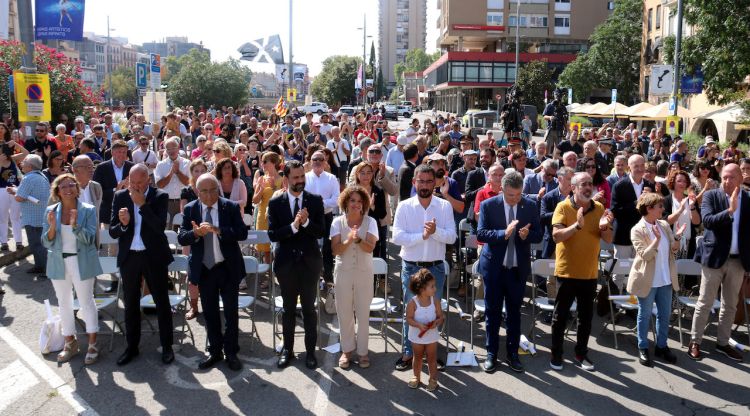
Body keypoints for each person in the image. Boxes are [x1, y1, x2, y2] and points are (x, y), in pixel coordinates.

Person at [178, 174, 247, 371]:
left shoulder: (230, 207)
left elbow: (241, 232)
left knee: (231, 312)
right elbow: (182, 237)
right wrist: (195, 233)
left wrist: (219, 230)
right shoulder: (191, 209)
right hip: (205, 270)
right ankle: (215, 350)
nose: (210, 195)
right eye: (205, 191)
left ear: (218, 189)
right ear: (197, 192)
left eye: (213, 190)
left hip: (226, 267)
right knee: (209, 312)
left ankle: (231, 351)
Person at [392, 164, 456, 371]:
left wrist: (435, 232)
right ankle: (408, 353)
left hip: (435, 268)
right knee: (410, 312)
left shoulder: (444, 206)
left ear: (435, 183)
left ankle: (431, 353)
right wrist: (423, 235)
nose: (425, 185)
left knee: (433, 314)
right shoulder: (404, 206)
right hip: (411, 267)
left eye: (429, 181)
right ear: (414, 182)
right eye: (421, 181)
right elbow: (397, 237)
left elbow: (452, 237)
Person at [477, 171, 542, 373]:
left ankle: (513, 353)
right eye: (510, 195)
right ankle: (491, 353)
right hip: (495, 268)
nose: (514, 199)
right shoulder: (489, 205)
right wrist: (502, 234)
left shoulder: (530, 206)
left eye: (518, 195)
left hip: (517, 269)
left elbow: (539, 235)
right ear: (502, 189)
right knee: (492, 312)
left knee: (514, 313)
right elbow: (480, 233)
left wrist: (527, 234)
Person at [110, 164, 175, 366]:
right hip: (130, 256)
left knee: (162, 303)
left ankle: (167, 347)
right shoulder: (120, 196)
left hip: (153, 255)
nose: (135, 187)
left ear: (148, 180)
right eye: (132, 182)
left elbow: (158, 227)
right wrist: (123, 224)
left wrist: (142, 205)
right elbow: (113, 231)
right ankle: (132, 347)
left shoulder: (160, 196)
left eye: (139, 182)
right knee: (130, 304)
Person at [550, 172, 614, 371]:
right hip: (567, 272)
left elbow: (609, 239)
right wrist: (577, 225)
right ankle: (557, 354)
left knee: (586, 318)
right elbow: (556, 236)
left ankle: (581, 353)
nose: (588, 187)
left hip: (589, 273)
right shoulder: (563, 206)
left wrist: (605, 227)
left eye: (590, 184)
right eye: (583, 184)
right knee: (560, 317)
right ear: (574, 188)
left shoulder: (600, 208)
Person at [688, 163, 750, 362]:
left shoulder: (748, 199)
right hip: (714, 258)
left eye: (732, 177)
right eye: (724, 177)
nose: (727, 181)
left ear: (740, 179)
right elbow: (707, 221)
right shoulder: (711, 196)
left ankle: (723, 343)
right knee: (705, 302)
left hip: (738, 261)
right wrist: (730, 211)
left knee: (730, 304)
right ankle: (695, 341)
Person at [267, 160, 326, 370]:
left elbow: (320, 231)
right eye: (295, 178)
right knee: (288, 309)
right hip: (286, 265)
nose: (300, 181)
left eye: (302, 177)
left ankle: (310, 352)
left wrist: (307, 222)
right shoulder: (275, 203)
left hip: (310, 264)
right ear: (286, 179)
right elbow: (272, 234)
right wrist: (293, 227)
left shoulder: (315, 201)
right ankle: (287, 350)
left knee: (309, 310)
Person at [42, 174, 102, 364]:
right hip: (59, 262)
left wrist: (75, 226)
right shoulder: (51, 210)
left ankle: (92, 344)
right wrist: (52, 226)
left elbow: (90, 238)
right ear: (57, 192)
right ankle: (70, 342)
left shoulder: (88, 210)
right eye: (63, 187)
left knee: (86, 302)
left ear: (77, 188)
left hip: (81, 261)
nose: (68, 189)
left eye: (71, 185)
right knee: (63, 302)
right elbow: (46, 241)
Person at [628, 192, 683, 367]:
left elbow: (674, 249)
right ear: (649, 208)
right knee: (644, 315)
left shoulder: (664, 225)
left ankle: (661, 346)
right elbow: (645, 255)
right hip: (648, 280)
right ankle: (643, 346)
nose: (663, 209)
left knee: (664, 315)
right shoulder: (637, 229)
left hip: (665, 278)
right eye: (659, 206)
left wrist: (678, 238)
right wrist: (656, 240)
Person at [330, 186, 378, 369]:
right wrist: (349, 238)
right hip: (343, 272)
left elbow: (370, 247)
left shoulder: (371, 222)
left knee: (363, 313)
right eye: (352, 200)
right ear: (345, 202)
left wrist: (358, 239)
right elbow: (335, 250)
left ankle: (363, 352)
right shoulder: (337, 222)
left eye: (359, 201)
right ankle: (346, 349)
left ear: (364, 203)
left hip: (364, 272)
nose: (356, 204)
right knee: (344, 312)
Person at [611, 155, 654, 290]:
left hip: (643, 235)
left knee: (638, 271)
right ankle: (615, 303)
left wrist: (652, 198)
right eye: (636, 166)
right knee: (619, 271)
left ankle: (633, 302)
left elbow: (653, 212)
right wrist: (637, 202)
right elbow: (615, 210)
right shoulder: (619, 185)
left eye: (642, 166)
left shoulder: (649, 185)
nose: (640, 169)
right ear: (629, 167)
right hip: (624, 235)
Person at [305, 151, 340, 288]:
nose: (318, 161)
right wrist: (317, 205)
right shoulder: (305, 178)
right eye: (315, 159)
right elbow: (304, 198)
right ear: (310, 162)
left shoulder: (332, 178)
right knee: (310, 246)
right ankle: (312, 277)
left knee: (327, 248)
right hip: (310, 217)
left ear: (325, 161)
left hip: (326, 216)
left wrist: (319, 204)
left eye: (321, 159)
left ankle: (328, 277)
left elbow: (336, 199)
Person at [406, 269, 444, 392]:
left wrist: (436, 323)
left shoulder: (435, 301)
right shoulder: (412, 303)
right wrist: (418, 325)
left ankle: (433, 380)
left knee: (431, 358)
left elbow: (441, 317)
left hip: (431, 336)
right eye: (432, 286)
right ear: (422, 288)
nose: (435, 289)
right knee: (417, 357)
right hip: (417, 336)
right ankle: (416, 377)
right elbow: (409, 319)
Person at [14, 155, 51, 277]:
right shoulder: (42, 176)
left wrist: (14, 192)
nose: (22, 164)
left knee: (37, 245)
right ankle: (40, 266)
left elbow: (20, 197)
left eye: (24, 162)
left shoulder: (28, 178)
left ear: (30, 166)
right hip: (41, 216)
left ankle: (45, 269)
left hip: (32, 217)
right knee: (40, 244)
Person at [252, 152, 283, 270]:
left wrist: (274, 187)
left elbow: (284, 199)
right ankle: (269, 276)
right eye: (262, 161)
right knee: (265, 249)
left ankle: (276, 274)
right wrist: (260, 189)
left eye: (265, 161)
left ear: (274, 163)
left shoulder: (282, 179)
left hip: (277, 217)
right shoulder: (261, 178)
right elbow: (255, 200)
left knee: (277, 247)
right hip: (262, 216)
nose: (262, 164)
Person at [93, 140, 133, 228]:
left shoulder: (132, 167)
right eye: (119, 152)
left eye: (124, 152)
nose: (122, 154)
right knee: (111, 241)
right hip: (109, 213)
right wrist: (116, 189)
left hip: (129, 213)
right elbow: (97, 191)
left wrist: (130, 187)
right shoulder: (101, 168)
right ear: (112, 152)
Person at [663, 170, 701, 259]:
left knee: (687, 270)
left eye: (685, 181)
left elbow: (697, 222)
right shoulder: (666, 200)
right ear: (673, 182)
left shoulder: (690, 200)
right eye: (679, 181)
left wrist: (692, 206)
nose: (682, 183)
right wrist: (681, 209)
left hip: (688, 243)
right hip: (671, 243)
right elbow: (666, 221)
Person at [0, 142, 27, 251]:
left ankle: (19, 242)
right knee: (2, 218)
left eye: (2, 150)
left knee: (16, 217)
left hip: (15, 190)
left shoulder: (13, 159)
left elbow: (26, 153)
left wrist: (15, 144)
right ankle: (4, 242)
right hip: (1, 190)